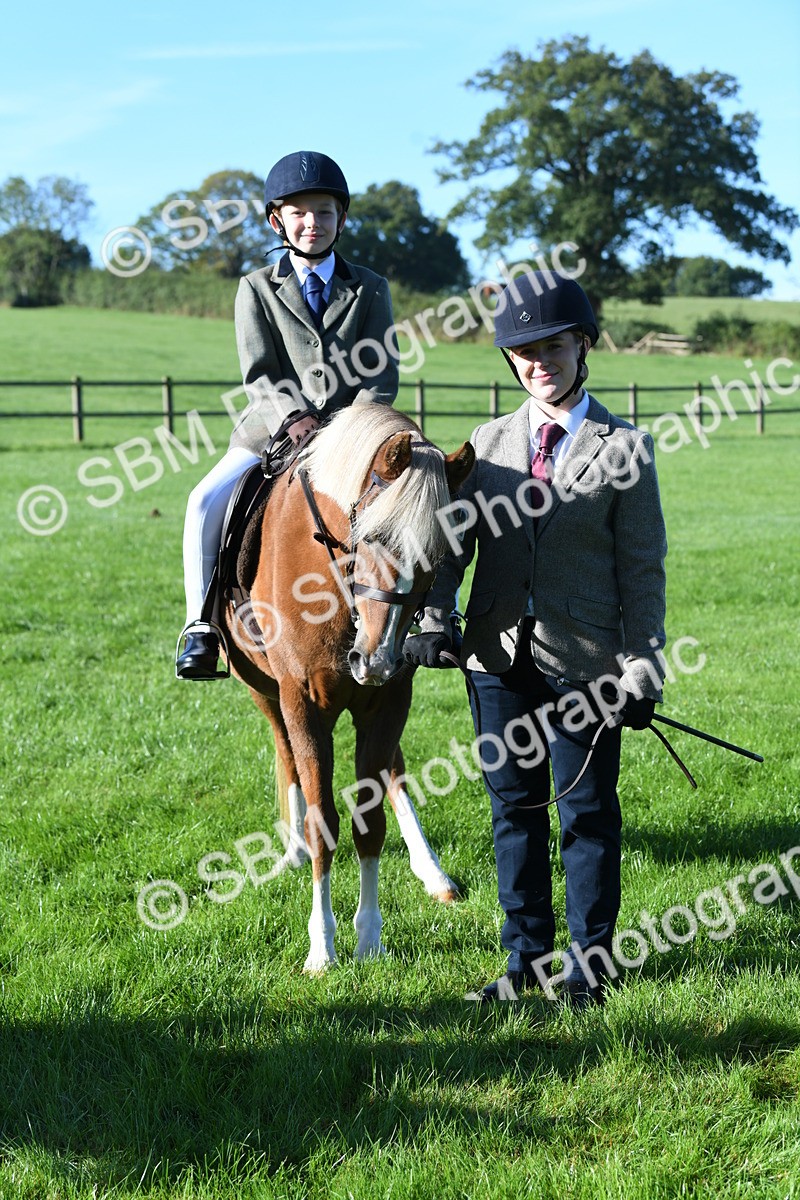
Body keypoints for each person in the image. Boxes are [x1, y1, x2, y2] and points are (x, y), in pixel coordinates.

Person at [404, 272, 668, 1008]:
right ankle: (525, 963)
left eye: (552, 346)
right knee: (511, 811)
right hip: (494, 660)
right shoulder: (485, 446)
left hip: (588, 665)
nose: (538, 362)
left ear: (583, 346)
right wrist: (435, 616)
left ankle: (591, 967)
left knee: (586, 815)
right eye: (523, 352)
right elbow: (452, 546)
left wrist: (643, 666)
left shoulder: (626, 449)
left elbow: (642, 567)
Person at [176, 151, 399, 679]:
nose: (312, 223)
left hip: (353, 435)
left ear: (340, 220)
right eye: (299, 213)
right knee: (203, 500)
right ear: (278, 220)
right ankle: (200, 625)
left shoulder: (370, 287)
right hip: (271, 432)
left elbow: (381, 374)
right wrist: (293, 415)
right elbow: (259, 372)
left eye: (323, 212)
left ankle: (425, 617)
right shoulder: (255, 287)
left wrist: (350, 430)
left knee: (413, 501)